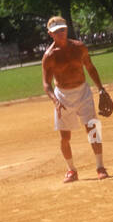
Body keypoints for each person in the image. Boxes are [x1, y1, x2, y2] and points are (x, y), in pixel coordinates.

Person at [41, 17, 109, 182]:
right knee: (65, 137)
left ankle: (100, 167)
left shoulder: (79, 47)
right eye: (57, 31)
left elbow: (90, 68)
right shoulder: (49, 56)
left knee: (93, 128)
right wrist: (55, 100)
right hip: (63, 96)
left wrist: (101, 89)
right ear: (50, 33)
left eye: (63, 29)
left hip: (82, 92)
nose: (61, 33)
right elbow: (46, 84)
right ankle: (71, 170)